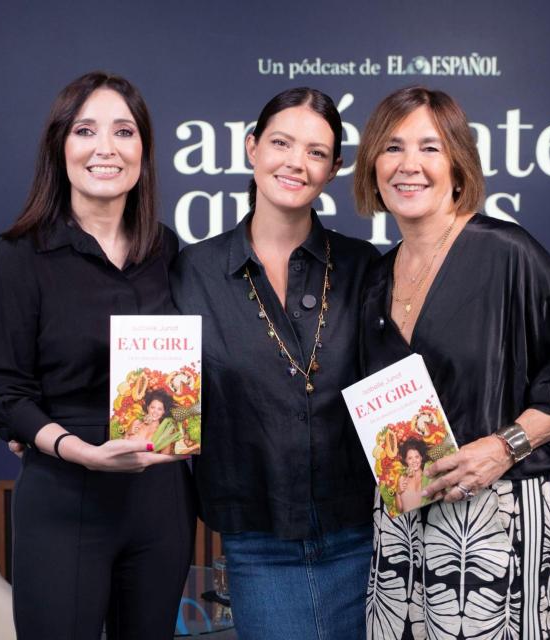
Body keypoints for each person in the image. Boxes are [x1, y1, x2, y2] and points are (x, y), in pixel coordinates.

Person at [353, 86, 550, 639]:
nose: (408, 165)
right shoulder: (376, 278)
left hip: (498, 516)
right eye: (392, 147)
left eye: (429, 147)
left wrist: (504, 448)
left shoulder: (507, 253)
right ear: (372, 165)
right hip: (401, 519)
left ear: (458, 163)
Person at [0, 71, 195, 640]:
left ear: (143, 150)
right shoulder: (21, 256)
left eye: (124, 131)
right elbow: (5, 393)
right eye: (85, 130)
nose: (106, 148)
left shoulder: (167, 251)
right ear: (60, 147)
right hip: (64, 492)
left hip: (161, 497)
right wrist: (77, 450)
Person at [171, 87, 379, 640]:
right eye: (281, 143)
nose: (296, 162)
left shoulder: (364, 267)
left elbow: (399, 383)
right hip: (256, 535)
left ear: (333, 169)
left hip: (363, 531)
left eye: (316, 152)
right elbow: (155, 392)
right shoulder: (192, 270)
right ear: (251, 148)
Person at [395, 438, 430, 513]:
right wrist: (398, 492)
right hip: (408, 521)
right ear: (406, 460)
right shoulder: (402, 479)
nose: (414, 461)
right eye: (410, 458)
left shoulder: (428, 476)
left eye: (417, 457)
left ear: (421, 458)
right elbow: (400, 509)